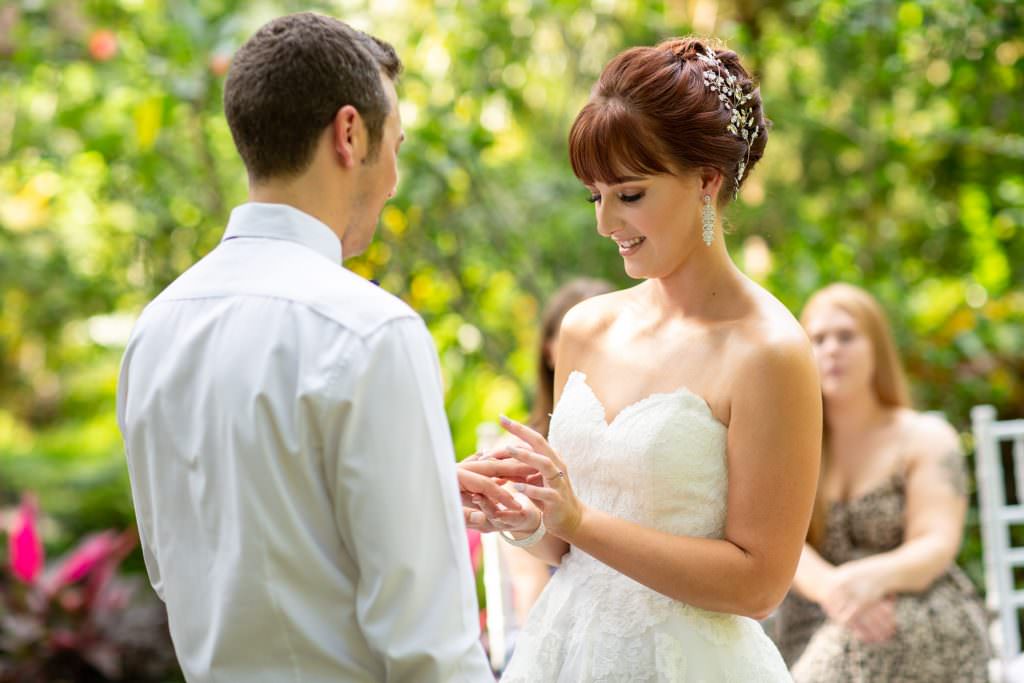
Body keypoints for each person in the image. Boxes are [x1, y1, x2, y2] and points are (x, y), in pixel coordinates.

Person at [116, 13, 511, 682]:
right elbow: (431, 647)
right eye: (398, 145)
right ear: (350, 134)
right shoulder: (372, 331)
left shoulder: (156, 328)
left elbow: (187, 564)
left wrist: (417, 493)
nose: (393, 179)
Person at [460, 37, 822, 681]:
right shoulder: (584, 328)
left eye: (628, 195)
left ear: (707, 180)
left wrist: (581, 520)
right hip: (565, 651)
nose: (605, 223)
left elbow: (759, 585)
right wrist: (523, 517)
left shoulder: (770, 352)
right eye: (594, 196)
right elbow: (566, 546)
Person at [773, 283, 989, 682]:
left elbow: (936, 542)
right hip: (816, 616)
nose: (831, 349)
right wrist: (836, 591)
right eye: (817, 339)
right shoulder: (793, 446)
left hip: (913, 605)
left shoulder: (926, 436)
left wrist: (869, 581)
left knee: (850, 651)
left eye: (846, 336)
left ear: (877, 348)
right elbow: (782, 541)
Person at [503, 278, 614, 632]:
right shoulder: (524, 452)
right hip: (560, 621)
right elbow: (529, 582)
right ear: (550, 350)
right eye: (577, 340)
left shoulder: (639, 437)